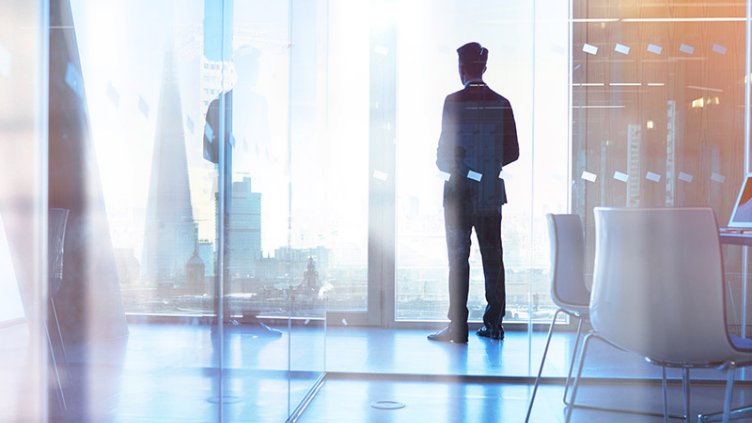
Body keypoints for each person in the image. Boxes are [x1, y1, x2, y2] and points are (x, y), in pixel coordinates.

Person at [428, 42, 519, 343]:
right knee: (493, 258)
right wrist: (486, 168)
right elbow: (513, 152)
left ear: (462, 69)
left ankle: (458, 328)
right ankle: (494, 324)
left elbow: (443, 158)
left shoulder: (452, 102)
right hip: (490, 193)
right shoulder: (502, 103)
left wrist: (463, 167)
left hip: (458, 194)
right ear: (484, 67)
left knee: (458, 259)